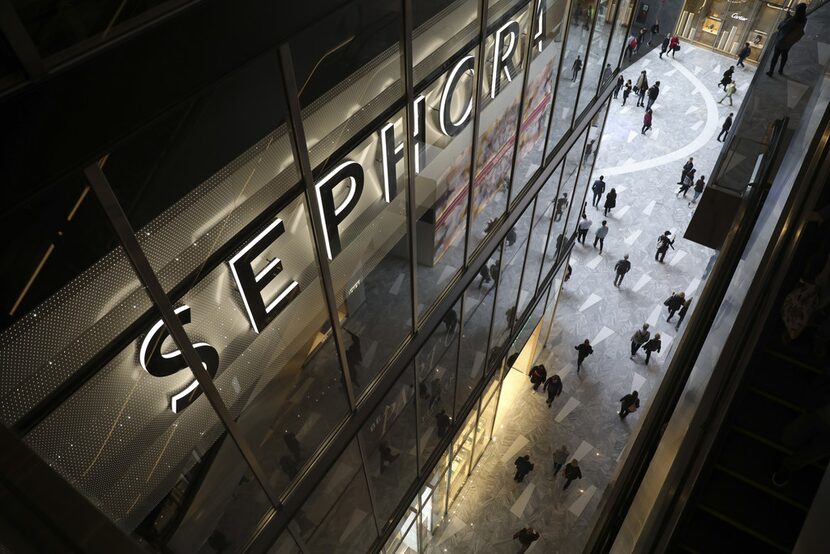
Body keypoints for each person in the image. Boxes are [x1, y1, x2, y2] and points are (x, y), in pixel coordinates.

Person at [767, 3, 807, 77]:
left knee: (775, 56)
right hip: (790, 41)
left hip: (782, 40)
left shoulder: (792, 20)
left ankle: (771, 71)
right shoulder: (804, 19)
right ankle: (781, 70)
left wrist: (786, 19)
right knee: (785, 54)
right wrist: (789, 17)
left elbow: (781, 27)